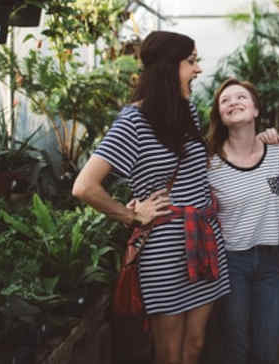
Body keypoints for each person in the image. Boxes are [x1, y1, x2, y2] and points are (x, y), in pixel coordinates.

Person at [72, 31, 230, 364]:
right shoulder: (132, 121)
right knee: (169, 353)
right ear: (168, 68)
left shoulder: (188, 113)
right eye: (191, 62)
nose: (198, 69)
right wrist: (131, 215)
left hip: (203, 239)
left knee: (196, 345)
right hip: (164, 248)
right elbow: (85, 186)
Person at [206, 78, 279, 364]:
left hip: (270, 262)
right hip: (231, 263)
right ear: (220, 115)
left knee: (267, 346)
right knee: (235, 346)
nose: (233, 103)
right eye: (225, 101)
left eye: (241, 97)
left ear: (255, 109)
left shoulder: (278, 155)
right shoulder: (210, 163)